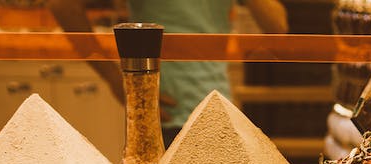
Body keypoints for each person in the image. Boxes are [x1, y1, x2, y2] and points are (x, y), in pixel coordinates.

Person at [49, 0, 288, 143]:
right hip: (161, 115)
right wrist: (113, 77)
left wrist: (114, 78)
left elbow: (278, 26)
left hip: (217, 111)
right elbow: (62, 5)